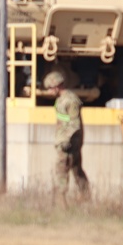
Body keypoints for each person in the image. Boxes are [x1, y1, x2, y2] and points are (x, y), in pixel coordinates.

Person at [45, 69, 90, 202]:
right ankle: (85, 198)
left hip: (69, 144)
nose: (49, 91)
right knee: (76, 171)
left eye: (51, 88)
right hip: (63, 141)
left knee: (62, 171)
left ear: (58, 86)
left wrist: (66, 141)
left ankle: (61, 201)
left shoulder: (70, 100)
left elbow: (74, 123)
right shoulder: (61, 100)